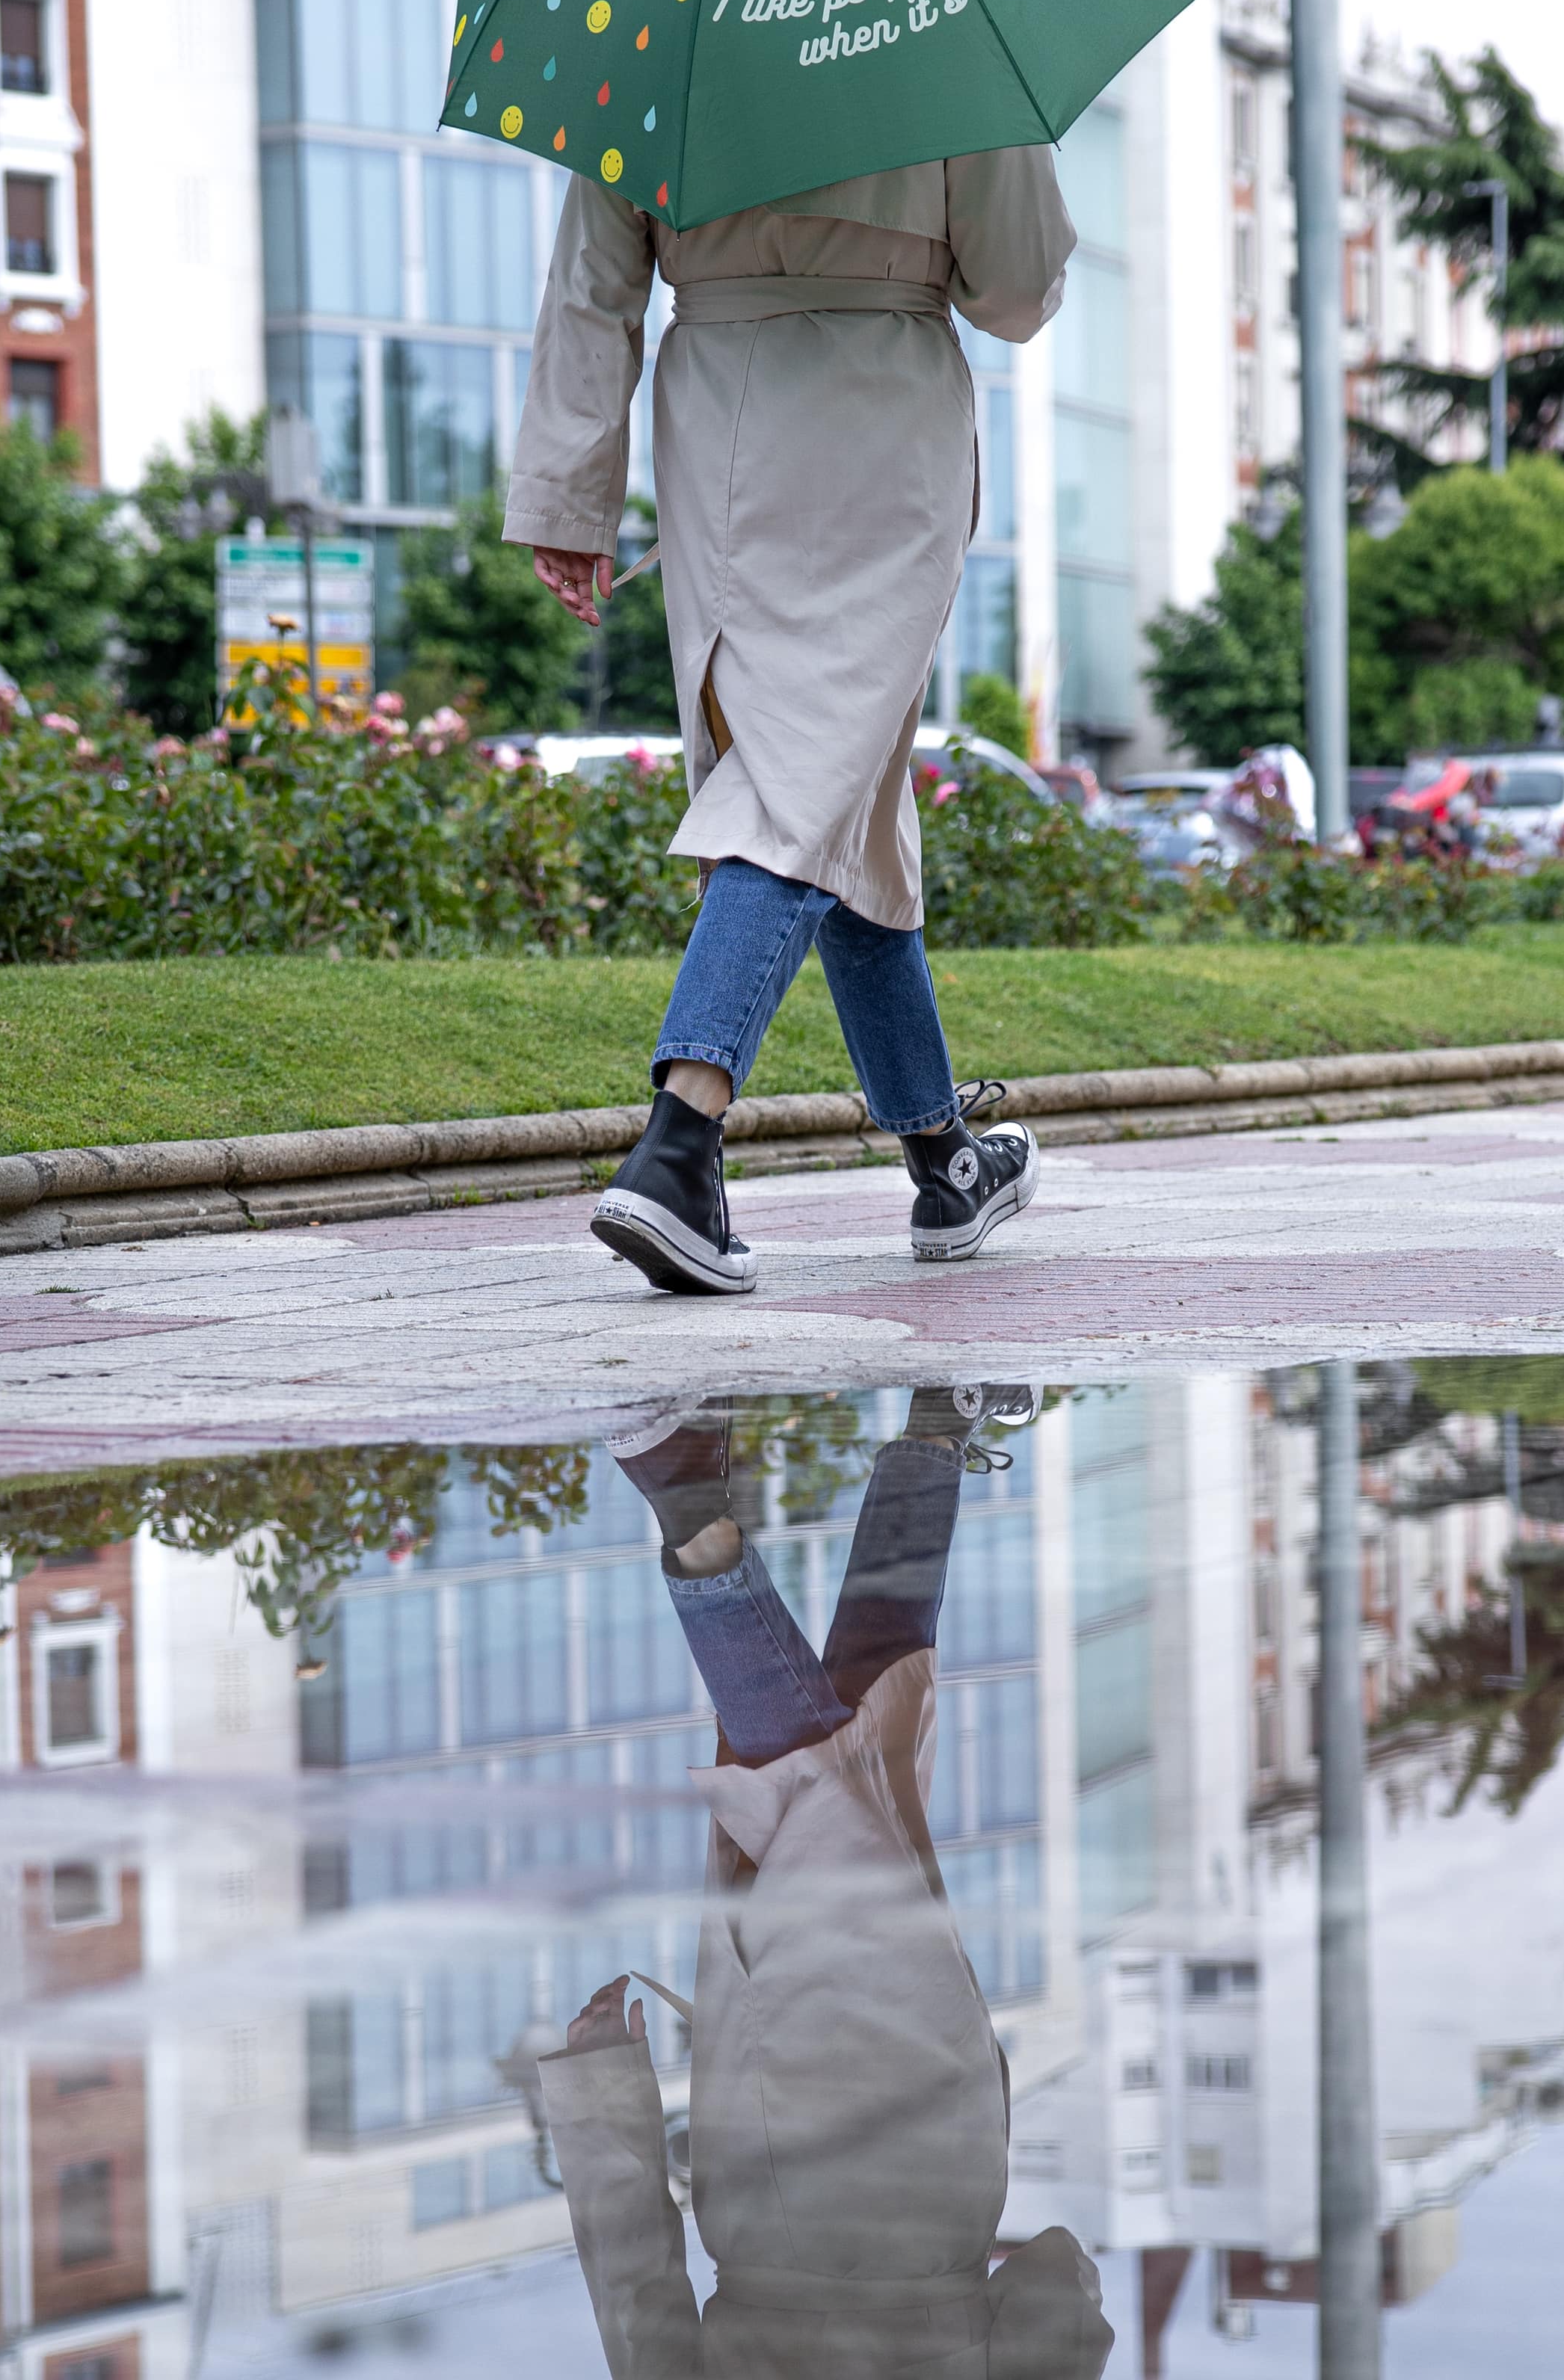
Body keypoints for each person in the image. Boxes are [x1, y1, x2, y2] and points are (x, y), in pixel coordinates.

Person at [508, 155, 1076, 1296]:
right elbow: (1018, 292)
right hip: (890, 424)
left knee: (829, 787)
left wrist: (571, 497)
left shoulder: (657, 15)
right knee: (800, 785)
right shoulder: (935, 15)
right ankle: (678, 1143)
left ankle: (944, 1156)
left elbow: (592, 286)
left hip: (722, 420)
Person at [540, 1390, 1112, 2380]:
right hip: (765, 2177)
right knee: (847, 1782)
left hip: (936, 2151)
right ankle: (919, 1446)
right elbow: (641, 2310)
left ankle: (700, 1507)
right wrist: (598, 2095)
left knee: (818, 1790)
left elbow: (1056, 2278)